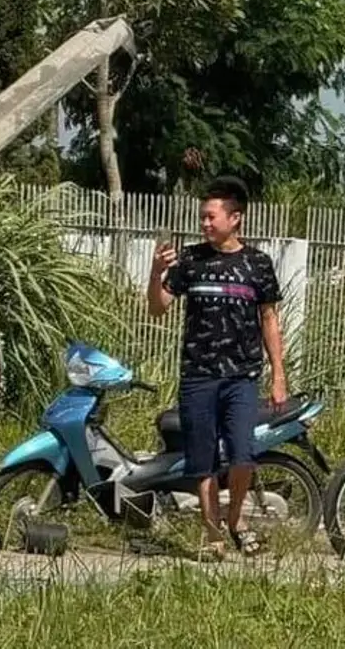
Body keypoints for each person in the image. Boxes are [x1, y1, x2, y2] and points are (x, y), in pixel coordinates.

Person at [147, 175, 287, 561]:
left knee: (243, 454)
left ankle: (235, 517)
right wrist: (156, 270)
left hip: (242, 377)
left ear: (235, 218)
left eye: (211, 217)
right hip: (198, 375)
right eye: (202, 218)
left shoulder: (257, 263)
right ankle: (212, 533)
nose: (204, 224)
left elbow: (269, 320)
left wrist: (278, 375)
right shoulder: (190, 259)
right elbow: (157, 307)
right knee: (202, 460)